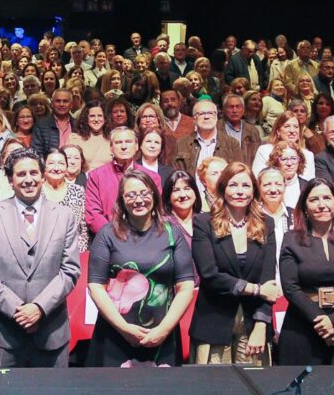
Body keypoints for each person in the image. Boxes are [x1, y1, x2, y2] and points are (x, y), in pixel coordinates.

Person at [0, 148, 80, 368]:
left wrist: (39, 308)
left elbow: (70, 270)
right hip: (3, 333)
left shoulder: (65, 216)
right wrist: (17, 310)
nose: (28, 180)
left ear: (43, 176)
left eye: (34, 173)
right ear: (11, 180)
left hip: (51, 332)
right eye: (21, 174)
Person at [86, 169, 195, 367]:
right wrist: (124, 329)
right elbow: (95, 286)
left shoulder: (172, 233)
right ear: (121, 199)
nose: (139, 200)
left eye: (144, 193)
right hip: (115, 334)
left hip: (163, 334)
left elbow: (186, 286)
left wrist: (163, 330)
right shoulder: (107, 234)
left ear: (154, 194)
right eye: (131, 195)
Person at [189, 162, 280, 364]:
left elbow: (268, 281)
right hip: (213, 322)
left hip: (252, 324)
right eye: (233, 185)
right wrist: (255, 289)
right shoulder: (204, 223)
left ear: (254, 190)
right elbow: (209, 274)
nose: (240, 191)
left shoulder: (267, 224)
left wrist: (261, 325)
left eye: (246, 186)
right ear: (223, 188)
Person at [278, 178, 334, 365]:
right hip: (302, 326)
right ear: (304, 207)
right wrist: (322, 323)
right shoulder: (291, 240)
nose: (322, 205)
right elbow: (291, 288)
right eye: (314, 200)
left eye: (327, 198)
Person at [85, 127, 164, 237]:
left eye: (128, 142)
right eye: (118, 143)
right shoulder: (96, 176)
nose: (123, 147)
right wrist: (113, 237)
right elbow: (92, 214)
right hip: (108, 239)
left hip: (143, 238)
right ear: (111, 148)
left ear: (136, 146)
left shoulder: (152, 177)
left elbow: (156, 212)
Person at [172, 100, 243, 174]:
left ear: (216, 117)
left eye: (210, 113)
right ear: (194, 119)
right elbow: (177, 174)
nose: (206, 117)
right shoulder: (182, 143)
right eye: (201, 114)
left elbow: (238, 173)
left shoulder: (232, 144)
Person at [43, 149, 88, 252]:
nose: (56, 168)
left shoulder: (78, 191)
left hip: (72, 253)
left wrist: (79, 253)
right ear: (43, 166)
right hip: (42, 253)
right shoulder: (36, 192)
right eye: (51, 163)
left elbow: (82, 229)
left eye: (61, 163)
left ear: (66, 167)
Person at [252, 111, 317, 180]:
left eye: (296, 127)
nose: (292, 130)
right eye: (287, 126)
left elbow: (308, 183)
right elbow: (259, 179)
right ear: (278, 131)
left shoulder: (308, 155)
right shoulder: (265, 151)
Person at [65, 100, 112, 171]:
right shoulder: (75, 138)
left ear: (105, 118)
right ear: (86, 118)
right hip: (81, 180)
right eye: (92, 116)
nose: (96, 119)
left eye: (100, 116)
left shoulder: (113, 139)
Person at [30, 89, 75, 158]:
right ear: (52, 104)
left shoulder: (78, 124)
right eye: (58, 101)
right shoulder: (41, 125)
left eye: (65, 101)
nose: (61, 104)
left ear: (71, 105)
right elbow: (37, 153)